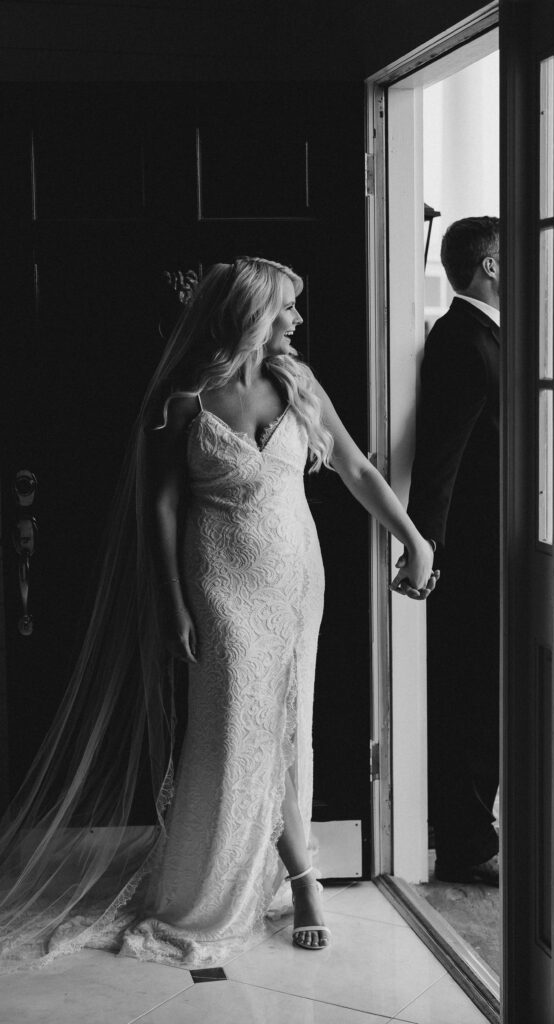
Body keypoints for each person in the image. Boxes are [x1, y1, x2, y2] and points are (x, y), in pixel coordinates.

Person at [0, 257, 436, 971]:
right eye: (288, 308)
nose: (298, 320)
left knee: (287, 724)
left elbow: (356, 468)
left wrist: (414, 540)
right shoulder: (183, 402)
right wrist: (172, 604)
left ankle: (296, 875)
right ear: (250, 314)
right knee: (240, 731)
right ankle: (297, 879)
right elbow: (161, 511)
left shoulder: (296, 385)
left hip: (297, 579)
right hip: (221, 584)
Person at [405, 217, 501, 885]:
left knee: (484, 690)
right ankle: (465, 841)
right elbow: (440, 455)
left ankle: (473, 830)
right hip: (468, 553)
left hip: (493, 545)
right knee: (469, 692)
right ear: (490, 265)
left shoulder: (485, 335)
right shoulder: (462, 340)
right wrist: (426, 547)